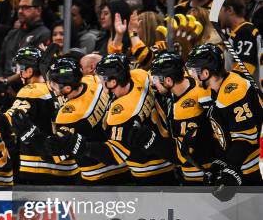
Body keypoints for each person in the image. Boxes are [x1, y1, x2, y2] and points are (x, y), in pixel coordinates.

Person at [50, 54, 177, 184]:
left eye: (102, 79)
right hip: (169, 158)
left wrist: (83, 146)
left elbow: (115, 155)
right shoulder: (140, 75)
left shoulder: (121, 112)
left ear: (113, 82)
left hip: (149, 170)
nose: (100, 84)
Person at [186, 44, 263, 192]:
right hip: (236, 161)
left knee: (253, 210)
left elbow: (245, 139)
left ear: (206, 73)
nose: (192, 76)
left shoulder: (234, 90)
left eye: (193, 71)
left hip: (247, 167)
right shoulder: (210, 91)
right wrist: (220, 162)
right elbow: (220, 132)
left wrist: (231, 168)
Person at [44, 57, 130, 184]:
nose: (52, 87)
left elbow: (57, 154)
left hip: (96, 175)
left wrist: (32, 135)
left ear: (67, 88)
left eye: (55, 84)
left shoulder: (67, 115)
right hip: (124, 163)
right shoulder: (93, 81)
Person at [149, 52, 215, 184]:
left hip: (201, 173)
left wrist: (150, 142)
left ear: (168, 81)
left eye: (156, 79)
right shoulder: (183, 84)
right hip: (192, 168)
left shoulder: (192, 104)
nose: (153, 83)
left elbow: (184, 152)